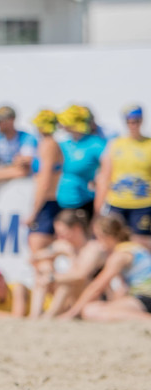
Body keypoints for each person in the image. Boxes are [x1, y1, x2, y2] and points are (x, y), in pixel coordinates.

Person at [61, 214, 151, 321]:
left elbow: (97, 287)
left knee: (91, 311)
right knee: (99, 307)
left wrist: (73, 312)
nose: (98, 242)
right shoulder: (132, 247)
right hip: (142, 297)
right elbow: (121, 289)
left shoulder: (120, 255)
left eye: (98, 236)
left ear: (107, 236)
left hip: (145, 297)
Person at [29, 209, 105, 319]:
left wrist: (69, 256)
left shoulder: (93, 248)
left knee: (67, 280)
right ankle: (35, 316)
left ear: (76, 229)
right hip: (70, 297)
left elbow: (80, 276)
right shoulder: (64, 245)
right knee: (44, 266)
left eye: (63, 233)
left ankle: (49, 316)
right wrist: (48, 260)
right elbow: (33, 258)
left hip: (90, 298)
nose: (60, 237)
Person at [96, 104, 151, 251]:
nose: (133, 125)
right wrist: (98, 206)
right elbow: (105, 176)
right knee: (113, 240)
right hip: (118, 202)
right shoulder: (116, 144)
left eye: (137, 121)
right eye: (130, 121)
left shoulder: (148, 144)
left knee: (140, 242)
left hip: (143, 204)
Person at [56, 105, 106, 224]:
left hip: (83, 203)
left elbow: (109, 169)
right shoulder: (64, 143)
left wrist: (97, 180)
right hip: (61, 203)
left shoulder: (96, 144)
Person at [26, 108, 63, 258]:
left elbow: (45, 182)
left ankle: (44, 282)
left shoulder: (48, 145)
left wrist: (34, 212)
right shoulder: (49, 144)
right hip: (49, 202)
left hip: (48, 203)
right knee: (42, 255)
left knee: (39, 254)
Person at [0, 105, 37, 185]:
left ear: (12, 120)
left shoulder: (27, 137)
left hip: (25, 179)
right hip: (7, 173)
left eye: (0, 121)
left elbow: (24, 166)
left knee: (21, 170)